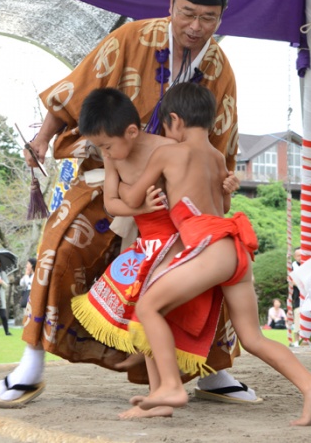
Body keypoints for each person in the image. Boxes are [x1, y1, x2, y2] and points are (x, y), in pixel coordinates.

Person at [0, 0, 257, 407]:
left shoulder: (220, 70)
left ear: (221, 16)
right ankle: (32, 361)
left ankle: (212, 370)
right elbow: (71, 94)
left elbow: (222, 143)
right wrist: (38, 141)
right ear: (172, 3)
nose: (195, 26)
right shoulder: (131, 38)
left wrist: (221, 188)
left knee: (213, 250)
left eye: (208, 17)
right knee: (60, 238)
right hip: (109, 166)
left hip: (178, 190)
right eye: (188, 13)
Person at [119, 82, 311, 426]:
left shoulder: (167, 153)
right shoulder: (217, 158)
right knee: (252, 338)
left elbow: (131, 201)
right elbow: (221, 207)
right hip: (235, 250)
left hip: (209, 247)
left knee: (146, 306)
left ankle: (171, 387)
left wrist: (110, 172)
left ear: (174, 120)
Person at [71, 87, 236, 418]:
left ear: (131, 131)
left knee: (152, 311)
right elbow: (112, 202)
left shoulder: (167, 148)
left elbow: (188, 193)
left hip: (175, 239)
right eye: (100, 147)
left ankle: (166, 392)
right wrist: (140, 204)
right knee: (142, 314)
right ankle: (158, 395)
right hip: (145, 240)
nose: (106, 152)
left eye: (107, 145)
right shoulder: (112, 156)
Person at [291, 247, 301, 344]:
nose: (300, 258)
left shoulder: (309, 265)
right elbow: (290, 280)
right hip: (297, 295)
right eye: (298, 255)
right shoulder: (292, 266)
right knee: (297, 315)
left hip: (309, 295)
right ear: (294, 256)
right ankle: (297, 340)